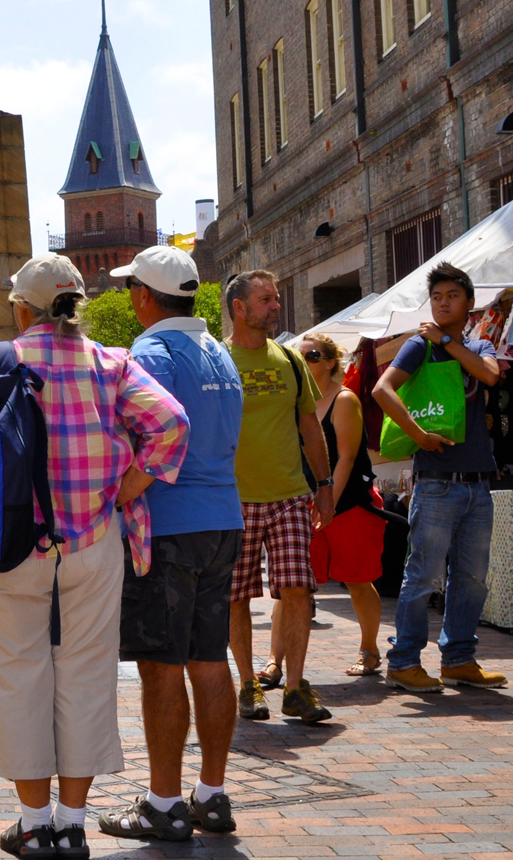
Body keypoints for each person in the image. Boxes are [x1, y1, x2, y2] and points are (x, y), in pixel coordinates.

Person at [0, 255, 189, 859]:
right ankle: (73, 825)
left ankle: (33, 824)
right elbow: (171, 423)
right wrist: (127, 484)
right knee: (86, 679)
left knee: (20, 677)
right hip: (92, 541)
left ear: (23, 306)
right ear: (76, 306)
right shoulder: (111, 362)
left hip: (10, 545)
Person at [98, 246, 243, 842]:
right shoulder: (219, 352)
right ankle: (210, 794)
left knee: (160, 668)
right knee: (210, 661)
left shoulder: (151, 351)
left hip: (168, 525)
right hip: (222, 519)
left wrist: (118, 492)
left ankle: (162, 804)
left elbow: (159, 432)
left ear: (142, 296)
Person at [372, 262, 504, 693]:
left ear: (469, 303)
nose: (442, 302)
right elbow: (381, 390)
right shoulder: (417, 347)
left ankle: (459, 659)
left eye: (451, 296)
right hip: (435, 482)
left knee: (471, 578)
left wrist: (446, 339)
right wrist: (418, 435)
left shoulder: (478, 343)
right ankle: (404, 661)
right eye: (437, 297)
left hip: (478, 482)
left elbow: (489, 375)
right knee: (423, 575)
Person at [222, 270, 336, 725]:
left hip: (290, 494)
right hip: (233, 499)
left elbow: (310, 427)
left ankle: (294, 687)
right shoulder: (217, 359)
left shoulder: (289, 360)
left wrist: (324, 487)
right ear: (240, 308)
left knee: (297, 588)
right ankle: (249, 684)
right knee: (237, 596)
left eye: (275, 298)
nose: (275, 306)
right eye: (265, 299)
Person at [274, 334, 388, 681]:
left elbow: (347, 458)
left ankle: (369, 650)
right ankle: (274, 662)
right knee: (290, 586)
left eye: (311, 355)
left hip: (350, 503)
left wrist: (328, 504)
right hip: (302, 505)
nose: (303, 361)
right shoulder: (294, 402)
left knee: (357, 580)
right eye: (299, 355)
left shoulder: (344, 399)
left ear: (328, 362)